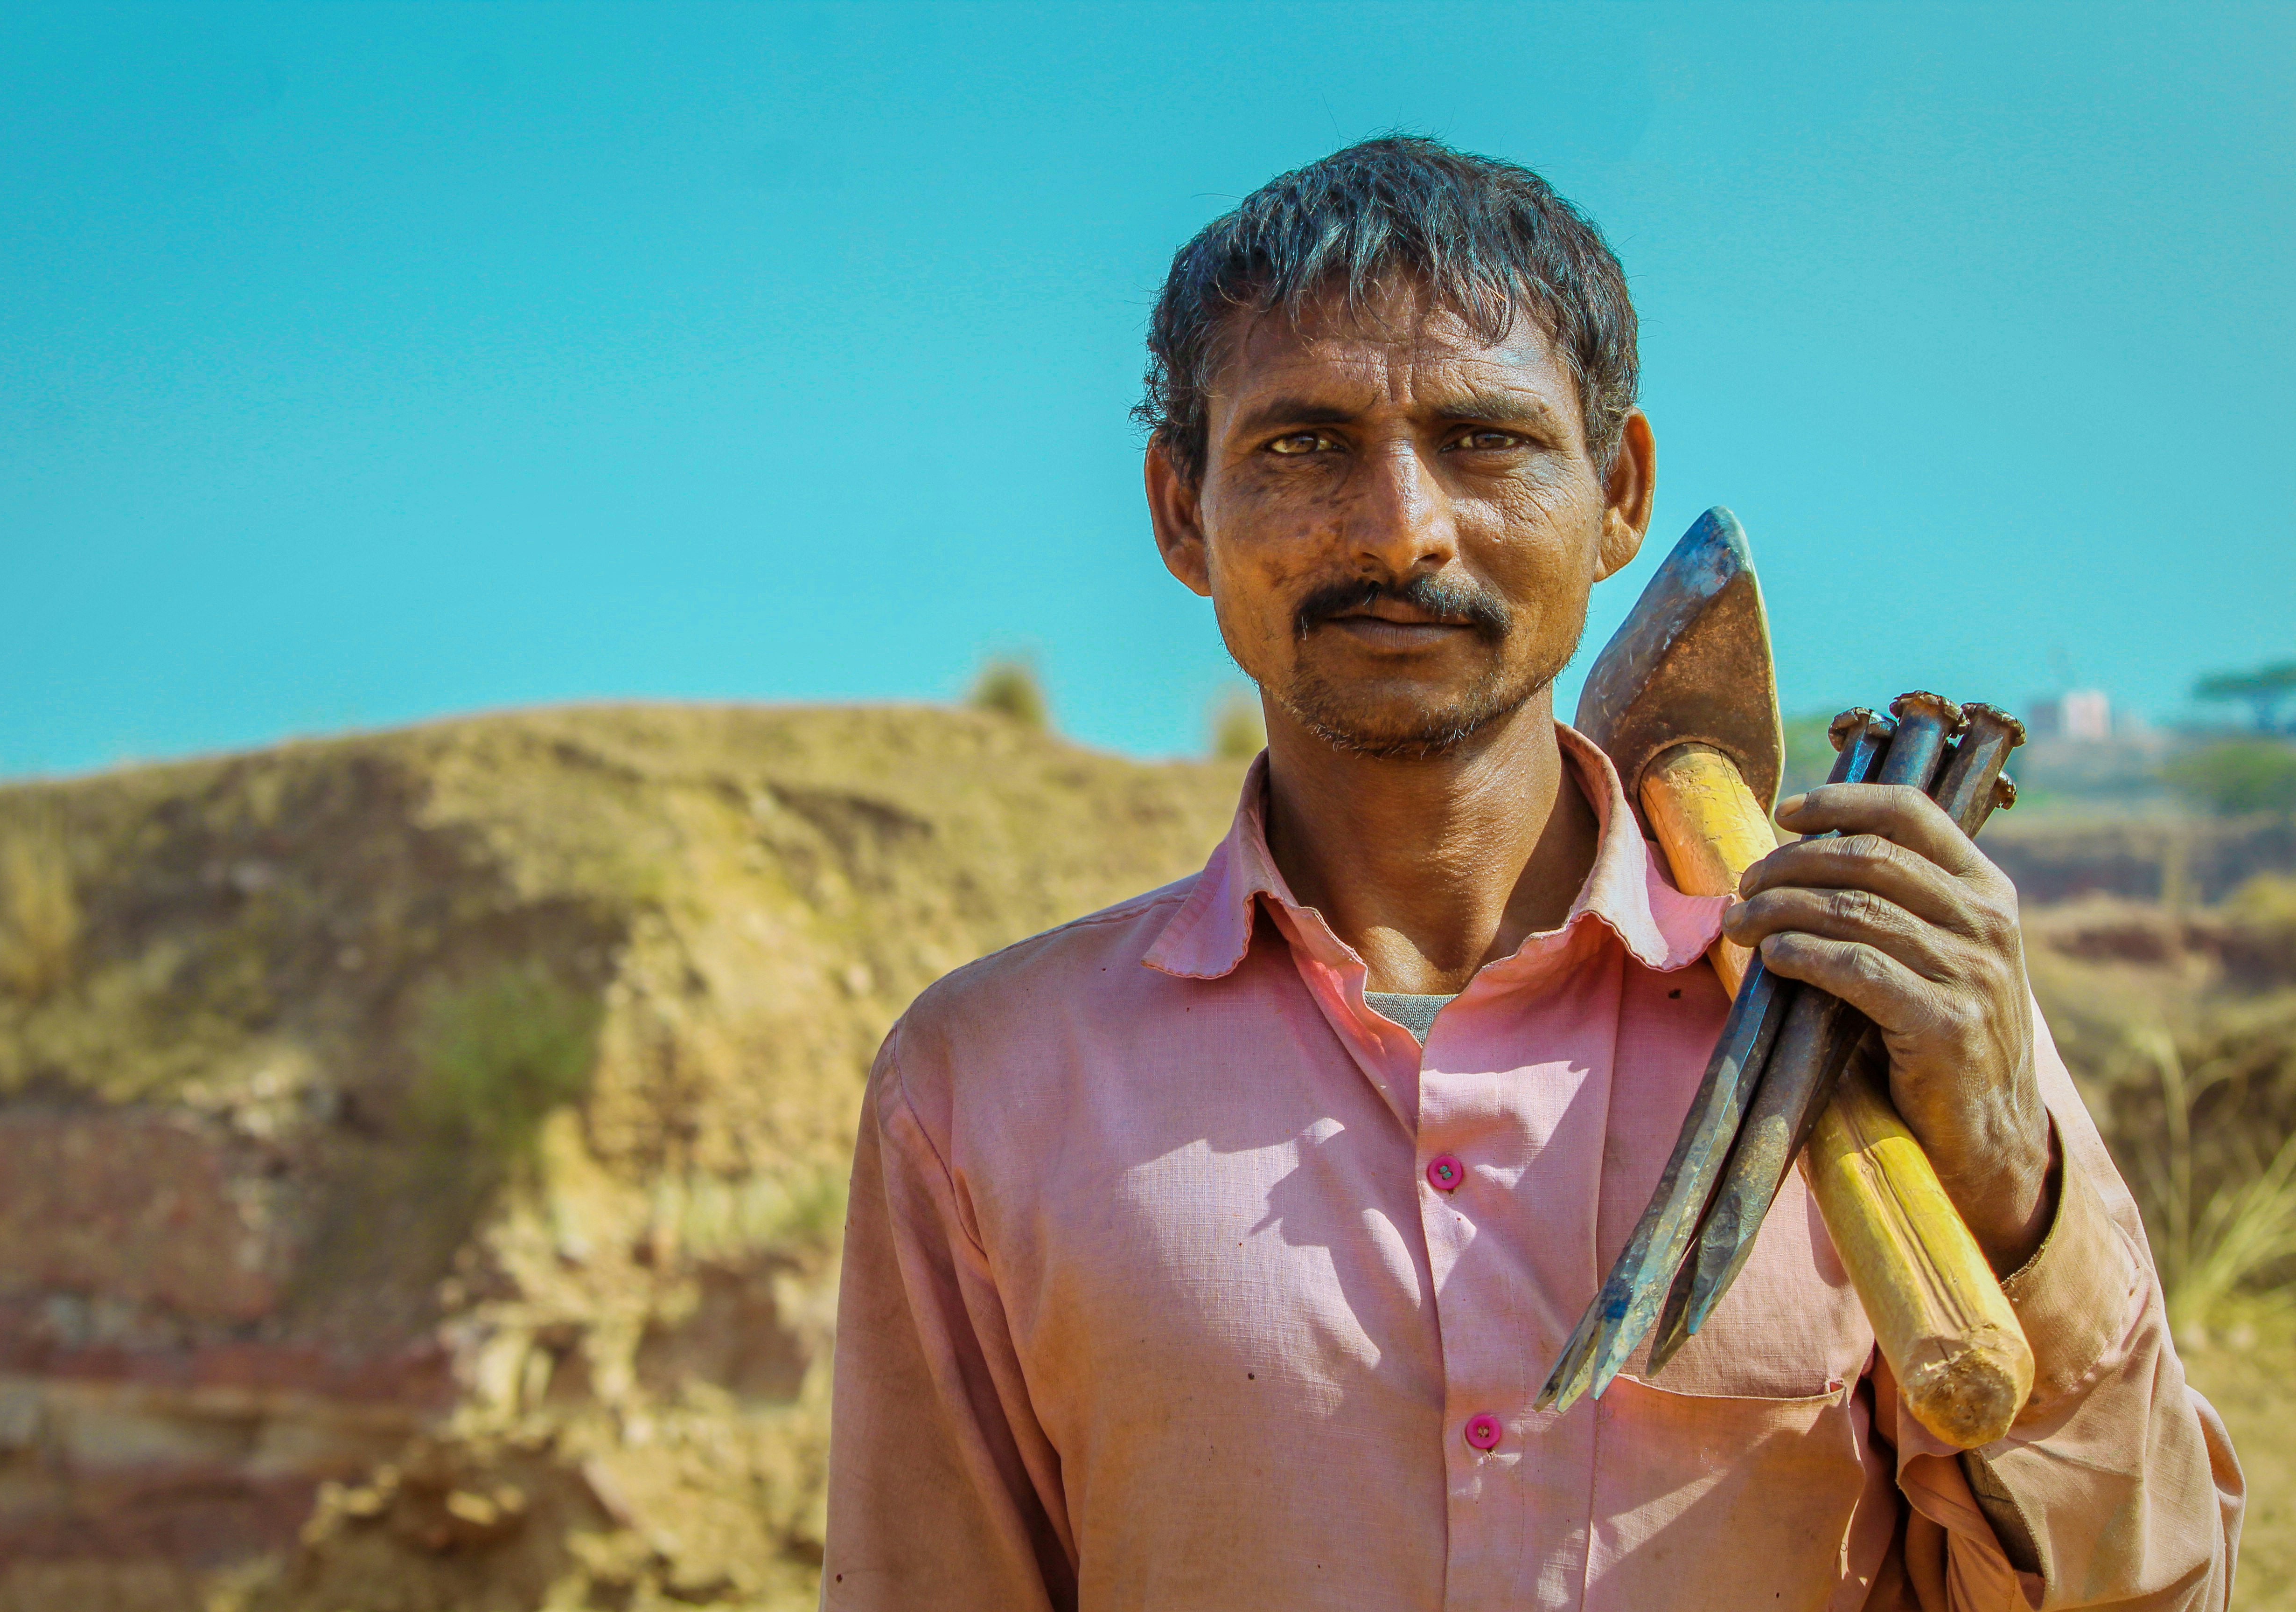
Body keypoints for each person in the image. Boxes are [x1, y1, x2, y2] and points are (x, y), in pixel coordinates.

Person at [820, 137, 2240, 1610]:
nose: (1403, 529)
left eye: (1486, 440)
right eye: (1302, 446)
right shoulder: (982, 1087)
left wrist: (2010, 1180)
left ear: (1619, 493)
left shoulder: (1873, 1014)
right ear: (1184, 513)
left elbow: (2160, 1595)